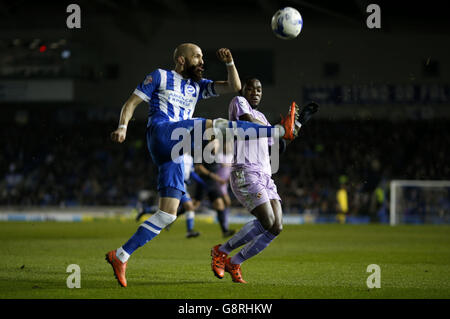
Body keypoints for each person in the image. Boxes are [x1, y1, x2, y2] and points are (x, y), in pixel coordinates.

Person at [105, 43, 299, 287]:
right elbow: (131, 103)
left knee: (167, 214)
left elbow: (234, 87)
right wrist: (122, 127)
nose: (201, 61)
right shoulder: (160, 76)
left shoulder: (197, 86)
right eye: (196, 56)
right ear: (182, 60)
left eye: (202, 57)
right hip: (163, 133)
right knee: (213, 124)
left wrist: (229, 63)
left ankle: (121, 255)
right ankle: (278, 130)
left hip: (175, 151)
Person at [210, 78, 319, 283]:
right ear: (244, 90)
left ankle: (235, 262)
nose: (255, 92)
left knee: (276, 226)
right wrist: (279, 129)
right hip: (246, 171)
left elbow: (280, 143)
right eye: (251, 88)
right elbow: (249, 122)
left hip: (265, 176)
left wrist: (298, 123)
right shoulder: (239, 103)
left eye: (259, 89)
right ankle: (220, 251)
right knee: (266, 220)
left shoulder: (262, 119)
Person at [135, 153, 203, 238]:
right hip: (176, 185)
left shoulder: (190, 158)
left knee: (170, 209)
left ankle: (146, 210)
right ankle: (189, 231)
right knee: (186, 207)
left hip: (183, 186)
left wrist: (199, 180)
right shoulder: (177, 155)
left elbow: (191, 172)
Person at [193, 139, 235, 238]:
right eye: (216, 144)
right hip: (204, 182)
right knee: (193, 205)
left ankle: (225, 231)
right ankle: (170, 218)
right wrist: (214, 176)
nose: (217, 146)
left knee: (220, 205)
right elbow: (199, 168)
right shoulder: (204, 154)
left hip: (214, 184)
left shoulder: (217, 156)